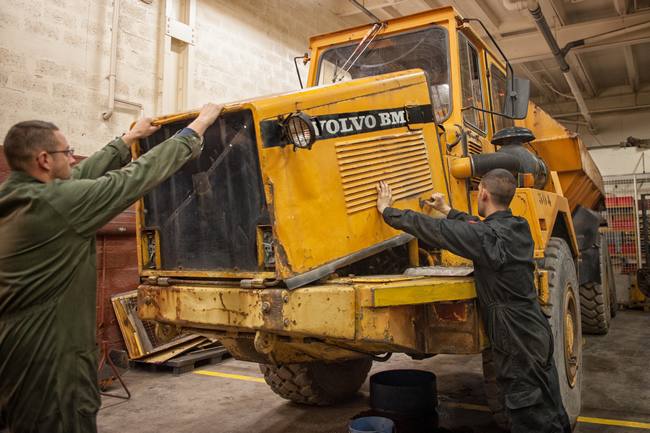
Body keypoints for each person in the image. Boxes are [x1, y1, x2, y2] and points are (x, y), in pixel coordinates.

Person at [0, 103, 224, 433]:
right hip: (51, 362)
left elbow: (76, 176)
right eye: (67, 151)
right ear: (44, 160)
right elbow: (134, 178)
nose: (72, 157)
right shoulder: (57, 204)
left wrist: (126, 140)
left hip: (15, 352)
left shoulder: (17, 195)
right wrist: (195, 130)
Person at [376, 169, 571, 433]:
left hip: (515, 337)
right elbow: (478, 228)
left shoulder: (486, 238)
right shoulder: (518, 227)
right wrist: (448, 209)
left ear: (482, 193)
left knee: (528, 410)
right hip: (535, 329)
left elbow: (436, 231)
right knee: (548, 400)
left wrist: (388, 211)